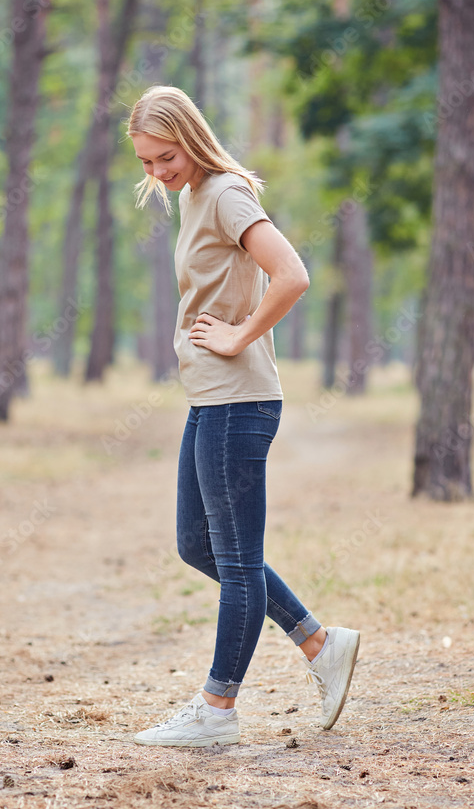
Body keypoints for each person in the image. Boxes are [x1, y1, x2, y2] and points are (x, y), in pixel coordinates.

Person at [127, 84, 360, 748]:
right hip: (211, 398)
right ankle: (320, 644)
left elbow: (292, 274)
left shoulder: (226, 193)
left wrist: (239, 335)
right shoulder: (191, 195)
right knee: (197, 544)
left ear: (190, 139)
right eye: (146, 161)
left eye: (166, 156)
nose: (158, 171)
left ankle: (217, 710)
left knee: (235, 561)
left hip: (239, 400)